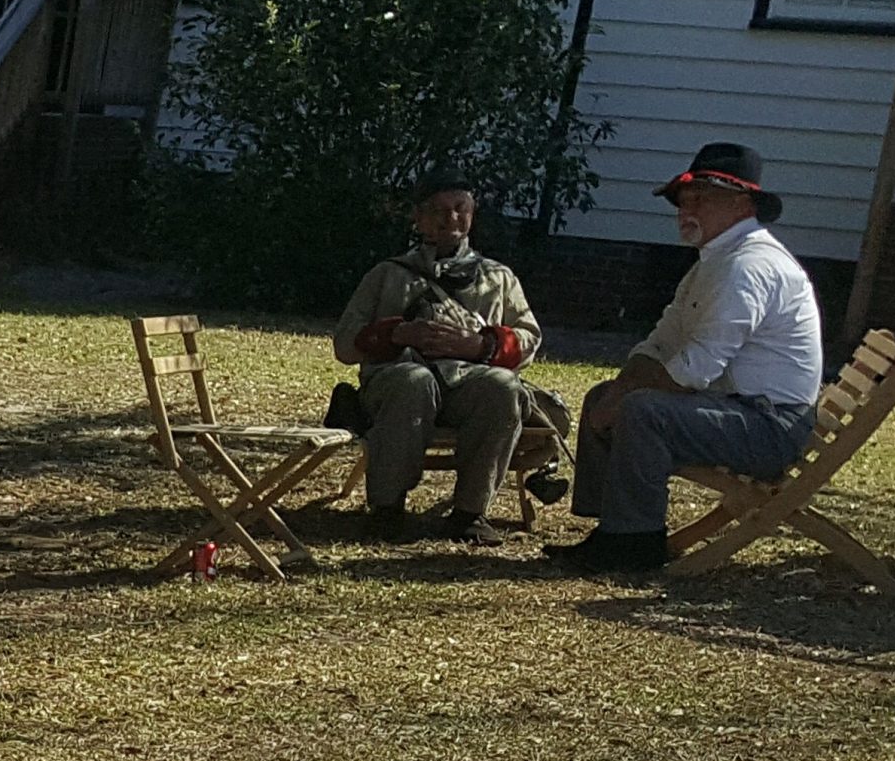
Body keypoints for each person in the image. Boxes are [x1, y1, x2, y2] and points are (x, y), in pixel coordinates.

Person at [556, 142, 826, 575]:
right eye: (683, 198)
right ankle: (611, 529)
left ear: (741, 203)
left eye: (701, 197)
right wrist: (622, 386)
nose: (686, 208)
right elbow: (663, 340)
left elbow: (695, 368)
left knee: (643, 411)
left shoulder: (749, 266)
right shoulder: (713, 263)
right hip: (740, 413)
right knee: (605, 394)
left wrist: (627, 395)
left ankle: (633, 546)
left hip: (769, 427)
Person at [333, 179, 544, 542]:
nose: (451, 218)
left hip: (469, 384)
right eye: (439, 210)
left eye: (460, 208)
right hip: (398, 383)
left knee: (503, 388)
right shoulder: (387, 274)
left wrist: (480, 346)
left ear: (472, 216)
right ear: (419, 218)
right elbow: (345, 345)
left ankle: (470, 514)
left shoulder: (499, 278)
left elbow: (529, 339)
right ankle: (387, 509)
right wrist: (396, 335)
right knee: (414, 381)